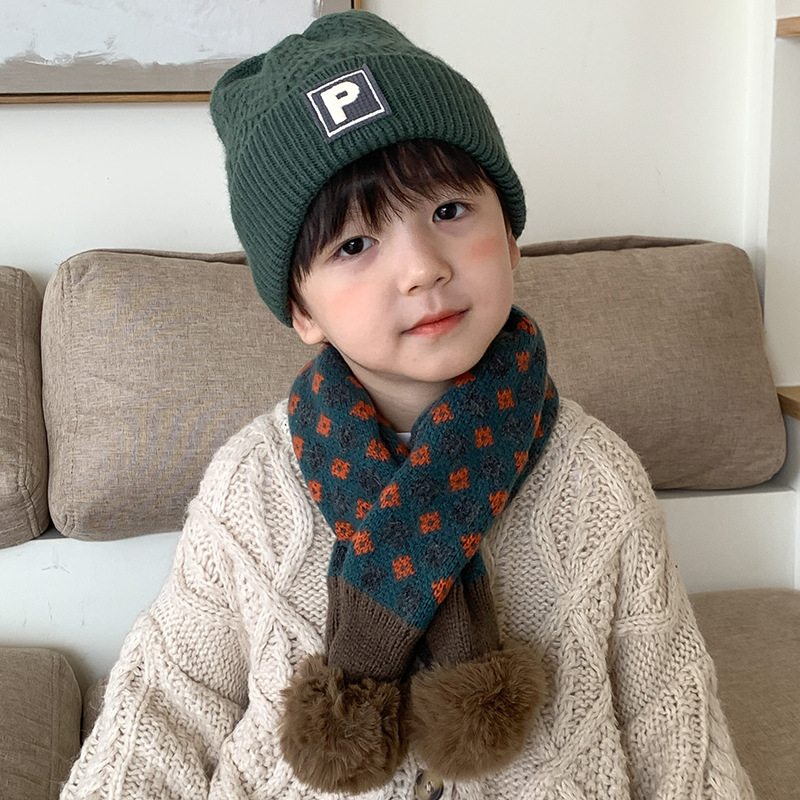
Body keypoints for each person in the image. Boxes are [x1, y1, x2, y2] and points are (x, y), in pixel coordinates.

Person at [61, 10, 754, 800]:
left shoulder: (597, 478)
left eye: (449, 212)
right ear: (302, 311)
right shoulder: (251, 484)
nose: (422, 267)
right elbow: (164, 707)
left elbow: (673, 720)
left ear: (512, 235)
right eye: (355, 245)